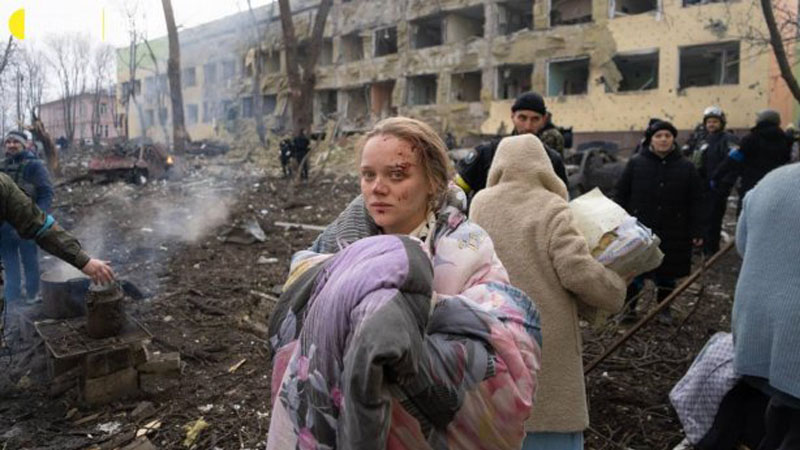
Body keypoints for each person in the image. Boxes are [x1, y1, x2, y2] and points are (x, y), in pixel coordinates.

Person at [267, 117, 541, 449]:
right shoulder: (335, 245)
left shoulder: (467, 249)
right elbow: (294, 329)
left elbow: (505, 349)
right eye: (368, 175)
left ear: (433, 182)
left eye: (397, 175)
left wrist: (403, 318)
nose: (377, 188)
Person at [470, 134, 626, 450]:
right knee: (549, 422)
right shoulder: (553, 207)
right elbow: (577, 271)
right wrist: (615, 286)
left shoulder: (480, 204)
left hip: (493, 330)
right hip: (545, 338)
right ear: (544, 167)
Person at [731, 163, 800, 449]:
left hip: (756, 323)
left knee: (782, 406)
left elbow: (743, 246)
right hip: (794, 332)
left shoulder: (771, 180)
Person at [614, 120, 707, 323]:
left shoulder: (686, 167)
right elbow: (621, 194)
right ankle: (629, 309)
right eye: (658, 136)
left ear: (673, 139)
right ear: (651, 140)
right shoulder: (636, 163)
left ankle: (663, 309)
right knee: (635, 271)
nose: (663, 139)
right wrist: (618, 221)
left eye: (667, 136)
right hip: (640, 229)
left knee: (668, 272)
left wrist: (697, 230)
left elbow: (697, 201)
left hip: (675, 230)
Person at [455, 91, 568, 199]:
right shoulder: (487, 153)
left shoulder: (552, 161)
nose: (528, 126)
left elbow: (561, 201)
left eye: (535, 119)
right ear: (513, 116)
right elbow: (456, 191)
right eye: (522, 118)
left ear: (543, 120)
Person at [0, 130, 54, 303]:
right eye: (8, 142)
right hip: (4, 226)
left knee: (30, 260)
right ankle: (12, 296)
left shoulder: (34, 166)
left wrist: (38, 217)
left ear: (25, 144)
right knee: (9, 262)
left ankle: (32, 294)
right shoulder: (2, 166)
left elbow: (46, 193)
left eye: (15, 142)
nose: (11, 145)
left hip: (26, 223)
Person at [713, 109, 791, 215]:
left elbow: (733, 159)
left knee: (746, 214)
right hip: (775, 184)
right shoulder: (784, 139)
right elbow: (787, 159)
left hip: (751, 184)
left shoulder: (751, 138)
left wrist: (717, 175)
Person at [689, 106, 739, 255]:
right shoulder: (702, 139)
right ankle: (700, 245)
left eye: (715, 121)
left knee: (713, 219)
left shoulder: (728, 139)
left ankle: (711, 249)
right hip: (701, 185)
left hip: (717, 186)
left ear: (721, 123)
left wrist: (724, 184)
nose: (711, 124)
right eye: (709, 122)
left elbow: (733, 164)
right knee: (700, 217)